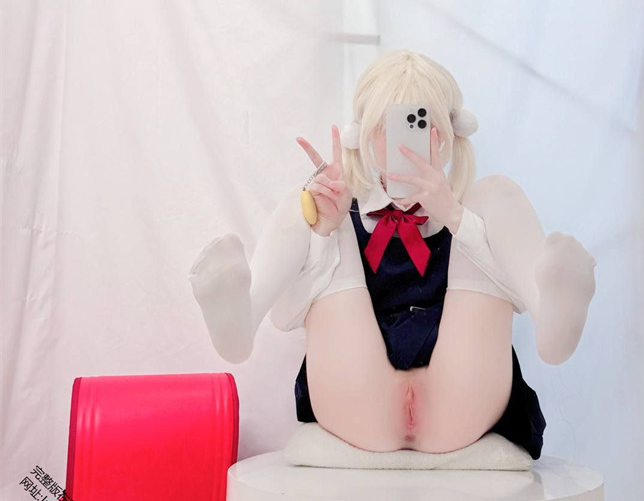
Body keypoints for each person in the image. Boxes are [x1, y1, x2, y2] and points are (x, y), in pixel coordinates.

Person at [189, 50, 596, 456]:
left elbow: (510, 297)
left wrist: (455, 219)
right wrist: (325, 231)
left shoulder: (471, 216)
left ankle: (552, 324)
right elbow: (286, 317)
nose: (402, 144)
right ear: (364, 135)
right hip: (359, 399)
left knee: (495, 191)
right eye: (386, 128)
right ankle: (242, 320)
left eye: (420, 125)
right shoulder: (346, 211)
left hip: (461, 400)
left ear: (448, 133)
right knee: (311, 196)